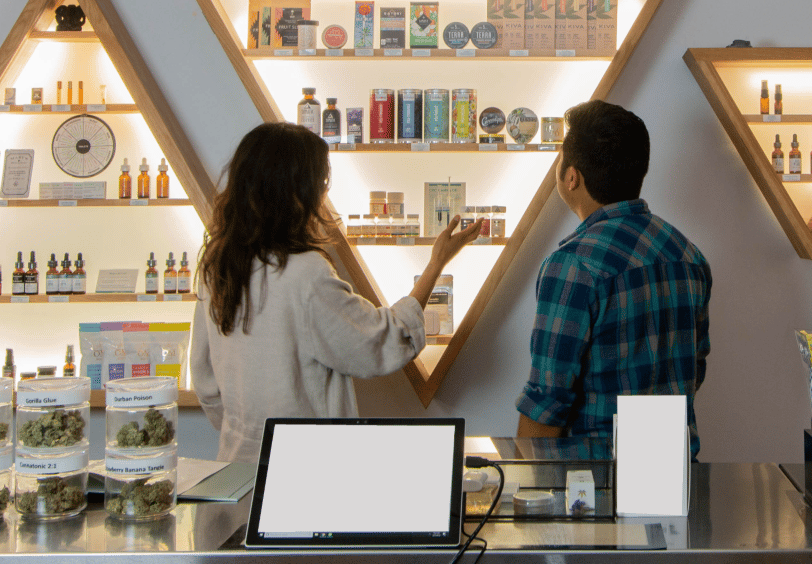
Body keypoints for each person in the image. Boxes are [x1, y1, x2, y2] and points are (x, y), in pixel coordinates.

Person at [190, 121, 482, 463]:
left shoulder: (219, 264)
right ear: (299, 191)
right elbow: (382, 340)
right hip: (306, 467)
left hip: (237, 464)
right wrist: (436, 264)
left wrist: (245, 433)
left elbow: (206, 381)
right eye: (321, 182)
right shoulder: (304, 274)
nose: (323, 194)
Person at [515, 99, 711, 460]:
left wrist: (521, 482)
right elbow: (693, 369)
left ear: (571, 176)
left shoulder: (572, 266)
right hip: (676, 475)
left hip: (594, 489)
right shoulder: (688, 255)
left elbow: (547, 400)